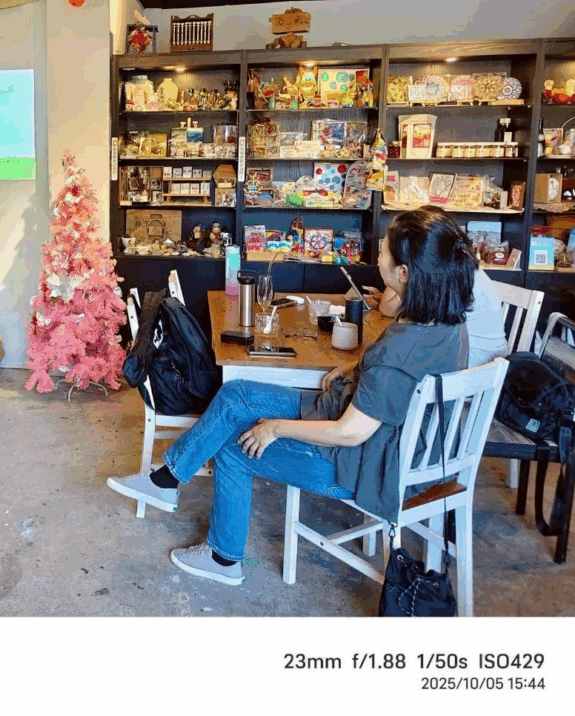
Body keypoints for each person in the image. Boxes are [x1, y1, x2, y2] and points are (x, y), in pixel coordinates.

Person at [107, 206, 475, 587]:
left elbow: (350, 433)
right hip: (373, 435)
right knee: (236, 394)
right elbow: (393, 374)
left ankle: (223, 557)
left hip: (361, 463)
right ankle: (166, 480)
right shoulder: (446, 323)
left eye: (384, 250)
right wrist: (355, 368)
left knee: (234, 448)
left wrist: (276, 428)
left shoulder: (399, 353)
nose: (378, 254)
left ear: (406, 273)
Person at [374, 206, 506, 366]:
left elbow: (389, 309)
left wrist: (401, 263)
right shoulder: (455, 263)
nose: (378, 259)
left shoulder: (438, 272)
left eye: (382, 252)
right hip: (474, 356)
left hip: (469, 366)